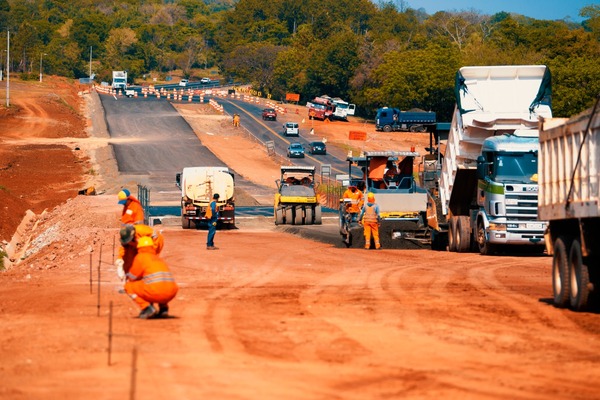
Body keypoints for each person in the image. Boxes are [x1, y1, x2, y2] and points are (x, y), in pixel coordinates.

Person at [124, 236, 178, 319]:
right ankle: (164, 309)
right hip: (171, 291)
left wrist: (127, 274)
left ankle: (147, 308)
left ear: (139, 247)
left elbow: (132, 277)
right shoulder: (158, 258)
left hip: (155, 291)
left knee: (128, 286)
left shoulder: (141, 257)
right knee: (156, 284)